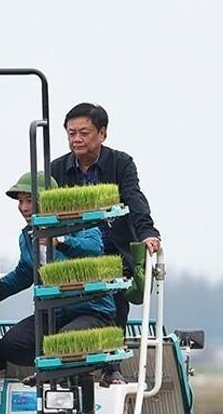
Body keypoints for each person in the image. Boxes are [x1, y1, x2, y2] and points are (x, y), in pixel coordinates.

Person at [0, 171, 113, 371]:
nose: (23, 208)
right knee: (11, 345)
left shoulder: (80, 222)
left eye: (30, 201)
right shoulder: (26, 237)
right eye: (20, 202)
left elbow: (94, 247)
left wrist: (60, 242)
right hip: (51, 314)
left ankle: (69, 373)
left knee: (68, 340)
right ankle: (53, 371)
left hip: (91, 312)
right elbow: (22, 275)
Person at [49, 103, 161, 331]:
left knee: (115, 303)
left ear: (102, 133)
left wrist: (147, 233)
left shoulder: (121, 163)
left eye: (83, 133)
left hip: (113, 252)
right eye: (71, 134)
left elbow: (134, 199)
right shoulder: (55, 169)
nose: (76, 139)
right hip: (73, 252)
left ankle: (113, 365)